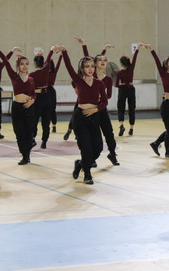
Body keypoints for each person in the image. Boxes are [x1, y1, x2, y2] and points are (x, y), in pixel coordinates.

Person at [59, 46, 107, 185]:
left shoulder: (99, 83)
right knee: (86, 147)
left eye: (92, 66)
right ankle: (87, 174)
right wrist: (64, 52)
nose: (90, 69)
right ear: (82, 68)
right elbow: (68, 67)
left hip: (94, 116)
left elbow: (104, 101)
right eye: (87, 66)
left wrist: (96, 109)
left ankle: (80, 164)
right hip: (80, 118)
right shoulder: (78, 80)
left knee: (98, 148)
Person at [77, 37, 119, 166]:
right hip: (88, 107)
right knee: (89, 135)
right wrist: (84, 45)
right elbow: (86, 58)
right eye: (100, 60)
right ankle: (90, 159)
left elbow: (109, 95)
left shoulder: (107, 79)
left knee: (108, 132)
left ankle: (112, 154)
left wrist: (100, 98)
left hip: (101, 108)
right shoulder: (92, 75)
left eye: (105, 60)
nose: (102, 62)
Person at [0, 47, 36, 165]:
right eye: (22, 64)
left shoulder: (31, 79)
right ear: (18, 66)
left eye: (27, 64)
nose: (25, 66)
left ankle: (27, 153)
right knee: (19, 132)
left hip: (29, 108)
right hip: (17, 108)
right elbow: (6, 62)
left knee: (29, 132)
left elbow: (33, 94)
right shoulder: (14, 76)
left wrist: (32, 100)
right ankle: (24, 155)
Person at [142, 44, 169, 159]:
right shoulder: (164, 74)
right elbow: (156, 61)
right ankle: (168, 150)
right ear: (166, 65)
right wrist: (152, 50)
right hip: (166, 106)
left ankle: (156, 143)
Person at [29, 49, 55, 149]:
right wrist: (51, 50)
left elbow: (30, 88)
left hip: (37, 99)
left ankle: (32, 138)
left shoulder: (32, 75)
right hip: (46, 98)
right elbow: (48, 60)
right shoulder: (46, 71)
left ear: (35, 63)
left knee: (34, 120)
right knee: (46, 121)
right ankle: (44, 142)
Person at [115, 45, 140, 136]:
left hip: (122, 90)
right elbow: (135, 58)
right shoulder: (131, 69)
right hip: (131, 89)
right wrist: (137, 49)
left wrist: (122, 84)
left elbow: (116, 84)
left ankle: (121, 125)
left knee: (120, 108)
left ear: (121, 63)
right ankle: (131, 129)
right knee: (131, 109)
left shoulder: (119, 72)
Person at [47, 54, 62, 134]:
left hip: (51, 92)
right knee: (46, 109)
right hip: (45, 91)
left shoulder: (54, 72)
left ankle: (54, 125)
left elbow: (58, 64)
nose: (49, 66)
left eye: (50, 64)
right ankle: (46, 125)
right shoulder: (44, 72)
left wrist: (61, 56)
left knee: (52, 109)